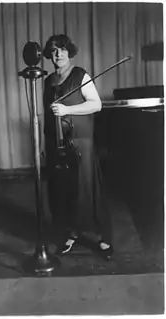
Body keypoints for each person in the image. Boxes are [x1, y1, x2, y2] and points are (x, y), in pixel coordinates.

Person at [42, 34, 113, 259]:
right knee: (64, 192)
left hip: (81, 143)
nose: (58, 54)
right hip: (58, 145)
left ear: (69, 52)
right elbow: (48, 116)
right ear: (49, 55)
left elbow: (96, 104)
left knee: (87, 189)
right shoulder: (48, 81)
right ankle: (71, 233)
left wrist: (67, 110)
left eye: (62, 49)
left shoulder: (80, 75)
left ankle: (102, 237)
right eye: (54, 51)